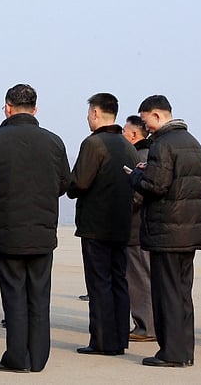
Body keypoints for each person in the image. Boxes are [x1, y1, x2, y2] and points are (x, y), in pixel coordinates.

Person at [0, 84, 71, 373]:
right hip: (42, 230)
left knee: (13, 295)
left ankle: (16, 357)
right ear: (35, 109)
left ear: (8, 107)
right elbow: (65, 182)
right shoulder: (54, 141)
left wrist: (3, 190)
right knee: (39, 295)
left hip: (8, 229)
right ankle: (38, 359)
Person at [128, 95, 201, 368]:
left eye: (146, 119)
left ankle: (171, 352)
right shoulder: (193, 143)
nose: (145, 126)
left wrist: (137, 176)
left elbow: (156, 185)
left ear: (158, 116)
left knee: (167, 293)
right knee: (183, 292)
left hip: (167, 231)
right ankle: (185, 350)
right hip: (190, 230)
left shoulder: (163, 144)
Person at [67, 93, 139, 356]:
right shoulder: (127, 145)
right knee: (119, 281)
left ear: (96, 113)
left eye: (89, 113)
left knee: (99, 283)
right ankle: (119, 338)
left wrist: (69, 184)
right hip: (122, 224)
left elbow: (80, 182)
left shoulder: (93, 144)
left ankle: (101, 340)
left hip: (96, 224)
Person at [123, 115, 156, 343]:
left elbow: (138, 195)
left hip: (137, 228)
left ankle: (146, 326)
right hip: (142, 228)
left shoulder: (141, 157)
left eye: (125, 131)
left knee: (140, 278)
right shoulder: (149, 154)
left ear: (134, 135)